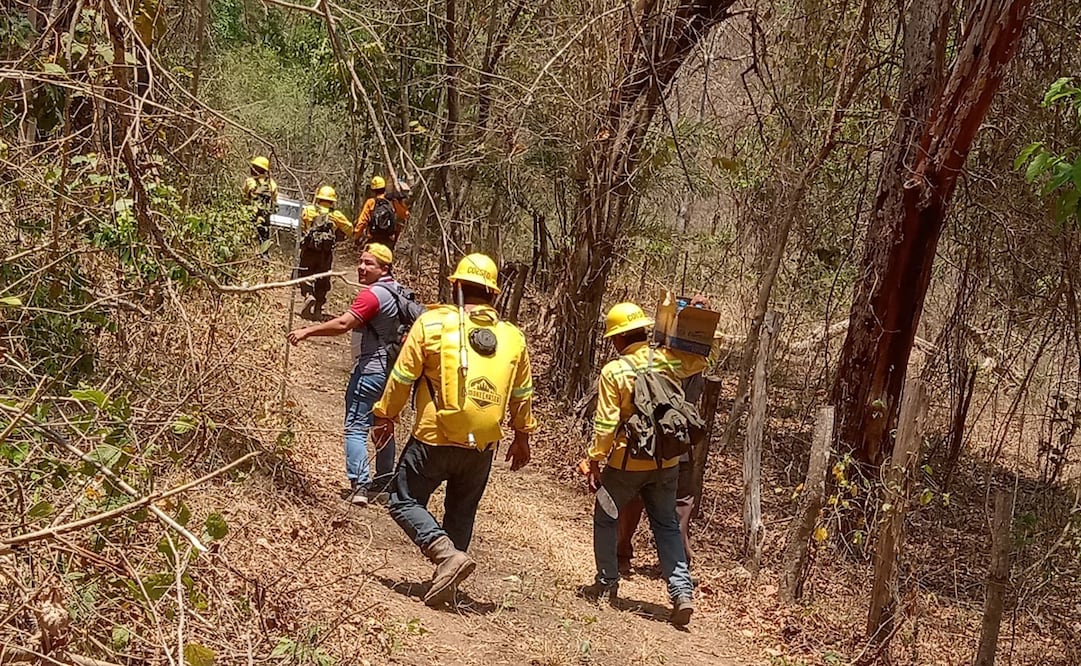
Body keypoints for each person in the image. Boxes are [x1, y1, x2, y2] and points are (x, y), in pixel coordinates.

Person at [369, 253, 536, 607]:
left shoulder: (431, 323)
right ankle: (448, 583)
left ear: (456, 286)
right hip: (482, 447)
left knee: (402, 499)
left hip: (434, 436)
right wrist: (522, 436)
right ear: (494, 294)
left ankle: (445, 555)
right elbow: (522, 394)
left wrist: (385, 415)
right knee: (461, 511)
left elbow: (402, 377)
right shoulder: (512, 337)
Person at [583, 301, 708, 627]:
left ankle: (607, 582)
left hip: (627, 462)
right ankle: (682, 591)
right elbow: (701, 359)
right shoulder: (667, 361)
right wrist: (690, 330)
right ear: (644, 331)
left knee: (605, 516)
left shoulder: (615, 371)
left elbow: (607, 423)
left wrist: (594, 459)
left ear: (617, 339)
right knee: (666, 524)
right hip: (667, 460)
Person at [286, 244, 420, 506]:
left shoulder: (372, 296)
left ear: (384, 268)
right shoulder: (397, 291)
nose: (361, 267)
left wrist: (307, 332)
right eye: (360, 261)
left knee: (356, 426)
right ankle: (383, 482)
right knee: (383, 423)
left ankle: (360, 484)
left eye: (369, 263)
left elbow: (343, 324)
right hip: (393, 373)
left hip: (370, 370)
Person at [616, 374, 703, 575]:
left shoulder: (651, 361)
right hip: (677, 444)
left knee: (636, 495)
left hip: (648, 443)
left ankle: (621, 555)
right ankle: (677, 564)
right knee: (680, 504)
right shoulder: (695, 363)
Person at [297, 185, 352, 320]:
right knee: (322, 279)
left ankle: (308, 295)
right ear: (332, 201)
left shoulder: (309, 210)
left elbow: (301, 227)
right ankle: (318, 310)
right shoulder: (336, 215)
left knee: (304, 274)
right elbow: (350, 229)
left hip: (309, 251)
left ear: (318, 198)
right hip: (325, 254)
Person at [353, 175, 409, 249]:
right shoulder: (392, 202)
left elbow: (362, 222)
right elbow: (405, 215)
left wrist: (356, 237)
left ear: (372, 190)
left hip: (373, 241)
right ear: (384, 188)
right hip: (388, 241)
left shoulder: (370, 202)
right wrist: (400, 203)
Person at [242, 156, 278, 257]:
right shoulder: (272, 184)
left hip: (250, 217)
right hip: (265, 220)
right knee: (264, 242)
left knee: (247, 242)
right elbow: (275, 203)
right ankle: (264, 260)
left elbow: (243, 198)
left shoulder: (249, 182)